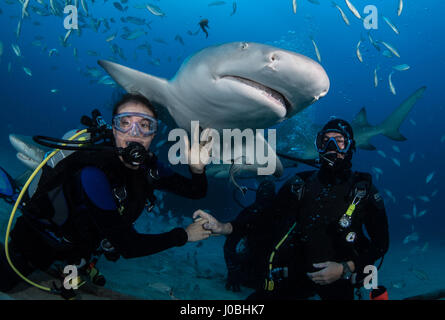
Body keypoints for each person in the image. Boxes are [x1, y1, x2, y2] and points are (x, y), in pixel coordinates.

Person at [0, 93, 213, 294]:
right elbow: (128, 246)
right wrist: (184, 235)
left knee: (72, 286)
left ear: (154, 134)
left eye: (145, 125)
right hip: (41, 242)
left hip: (82, 250)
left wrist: (197, 170)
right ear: (113, 129)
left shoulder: (150, 169)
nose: (135, 133)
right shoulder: (94, 173)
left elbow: (196, 191)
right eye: (125, 123)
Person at [194, 118, 390, 300]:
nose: (331, 147)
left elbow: (381, 243)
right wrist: (224, 227)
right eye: (325, 141)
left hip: (341, 278)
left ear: (350, 146)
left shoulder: (363, 191)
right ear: (318, 146)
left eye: (339, 141)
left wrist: (346, 268)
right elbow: (265, 218)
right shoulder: (300, 184)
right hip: (297, 272)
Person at [224, 179, 276, 292]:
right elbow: (230, 243)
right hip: (253, 266)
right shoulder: (249, 214)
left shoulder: (282, 214)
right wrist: (232, 271)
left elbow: (229, 245)